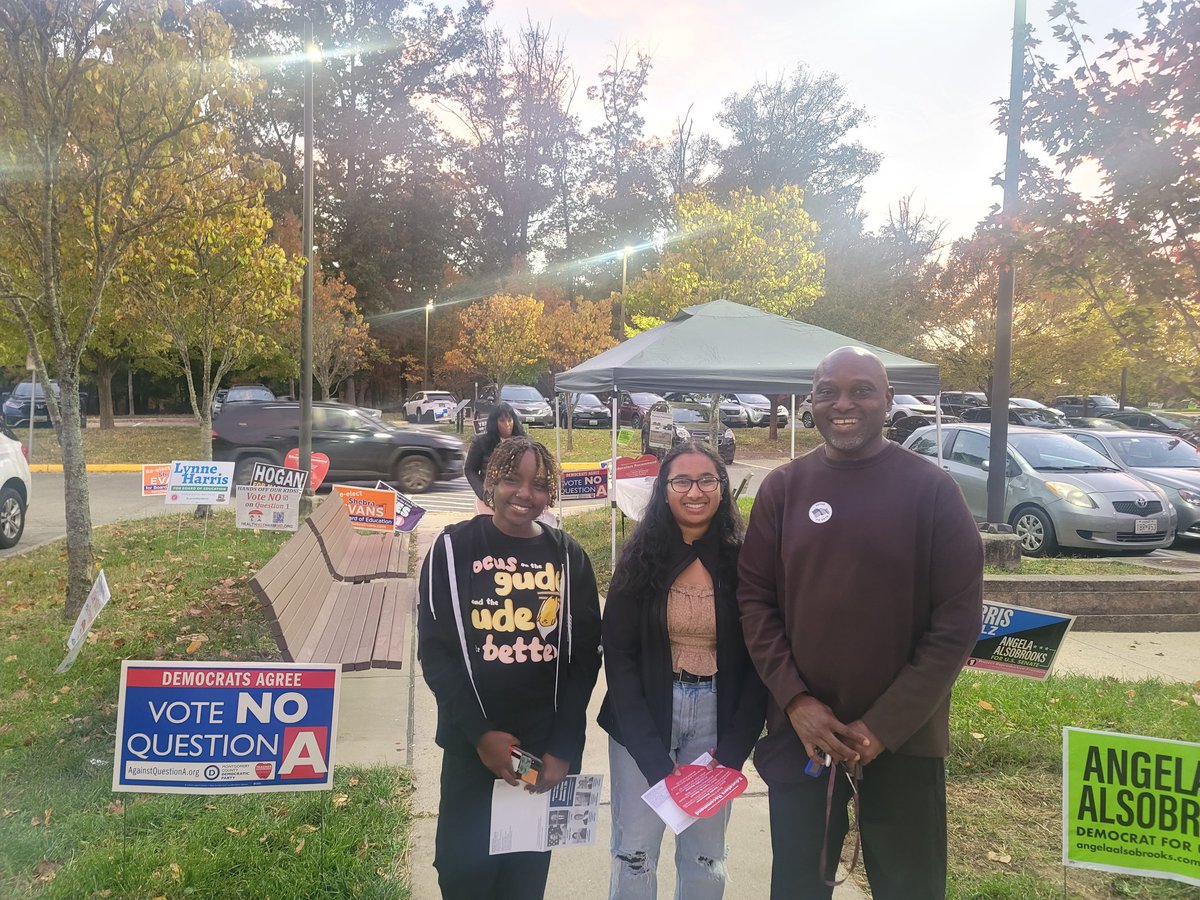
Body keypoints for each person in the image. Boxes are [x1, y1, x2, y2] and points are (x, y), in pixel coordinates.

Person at [738, 347, 983, 899]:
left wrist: (883, 727)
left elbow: (956, 623)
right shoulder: (783, 489)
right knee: (799, 885)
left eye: (862, 390)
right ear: (812, 402)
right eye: (828, 391)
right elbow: (754, 601)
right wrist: (797, 703)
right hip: (804, 738)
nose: (843, 403)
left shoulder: (933, 492)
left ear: (889, 400)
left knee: (909, 887)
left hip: (903, 740)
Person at [418, 436, 602, 900]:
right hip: (471, 746)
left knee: (524, 876)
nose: (524, 494)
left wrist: (565, 746)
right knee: (462, 872)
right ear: (490, 482)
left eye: (539, 485)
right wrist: (481, 735)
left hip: (540, 753)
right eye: (511, 480)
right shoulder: (452, 549)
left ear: (551, 494)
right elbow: (437, 654)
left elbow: (583, 658)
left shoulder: (568, 556)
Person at [600, 441, 766, 899]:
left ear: (722, 488)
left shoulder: (746, 562)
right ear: (664, 490)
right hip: (643, 718)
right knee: (634, 853)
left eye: (707, 480)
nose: (695, 491)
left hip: (716, 720)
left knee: (706, 858)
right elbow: (619, 657)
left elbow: (759, 659)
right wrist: (652, 758)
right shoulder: (639, 560)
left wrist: (733, 752)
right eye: (682, 481)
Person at [466, 403, 526, 514]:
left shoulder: (524, 443)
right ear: (495, 423)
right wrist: (482, 492)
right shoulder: (481, 442)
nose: (507, 424)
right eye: (502, 421)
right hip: (490, 500)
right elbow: (470, 469)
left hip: (517, 498)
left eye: (510, 420)